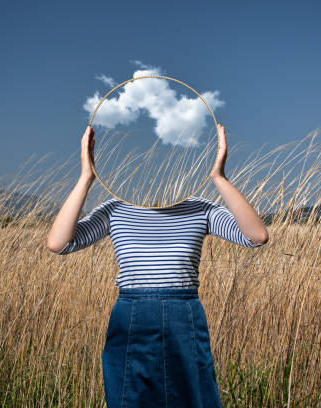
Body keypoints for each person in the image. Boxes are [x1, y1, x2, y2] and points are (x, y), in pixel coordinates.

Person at [47, 124, 268, 408]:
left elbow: (257, 236)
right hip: (131, 316)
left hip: (184, 315)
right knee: (130, 398)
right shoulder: (116, 209)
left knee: (192, 398)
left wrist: (219, 177)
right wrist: (86, 177)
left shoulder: (199, 208)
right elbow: (58, 243)